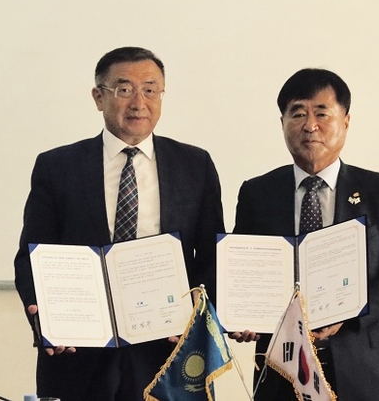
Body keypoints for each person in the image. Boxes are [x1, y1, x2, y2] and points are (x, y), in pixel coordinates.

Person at [14, 47, 225, 401]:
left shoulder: (195, 165)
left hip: (169, 354)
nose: (139, 102)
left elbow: (211, 256)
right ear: (99, 97)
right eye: (124, 89)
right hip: (79, 353)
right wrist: (45, 316)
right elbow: (32, 257)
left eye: (150, 90)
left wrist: (198, 315)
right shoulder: (57, 166)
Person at [230, 68, 379, 400]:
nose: (310, 125)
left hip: (367, 375)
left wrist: (350, 310)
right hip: (281, 376)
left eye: (322, 113)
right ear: (282, 123)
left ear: (345, 121)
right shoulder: (258, 193)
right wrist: (241, 315)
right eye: (298, 114)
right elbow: (243, 273)